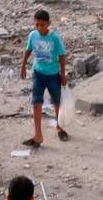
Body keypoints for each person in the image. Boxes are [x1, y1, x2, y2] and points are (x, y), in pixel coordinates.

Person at [20, 9, 69, 146]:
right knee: (36, 103)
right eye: (37, 25)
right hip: (38, 74)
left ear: (49, 24)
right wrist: (23, 66)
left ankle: (60, 127)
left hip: (53, 75)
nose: (39, 28)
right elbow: (28, 50)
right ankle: (38, 136)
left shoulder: (55, 38)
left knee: (57, 103)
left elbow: (61, 56)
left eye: (42, 25)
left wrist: (63, 74)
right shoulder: (32, 36)